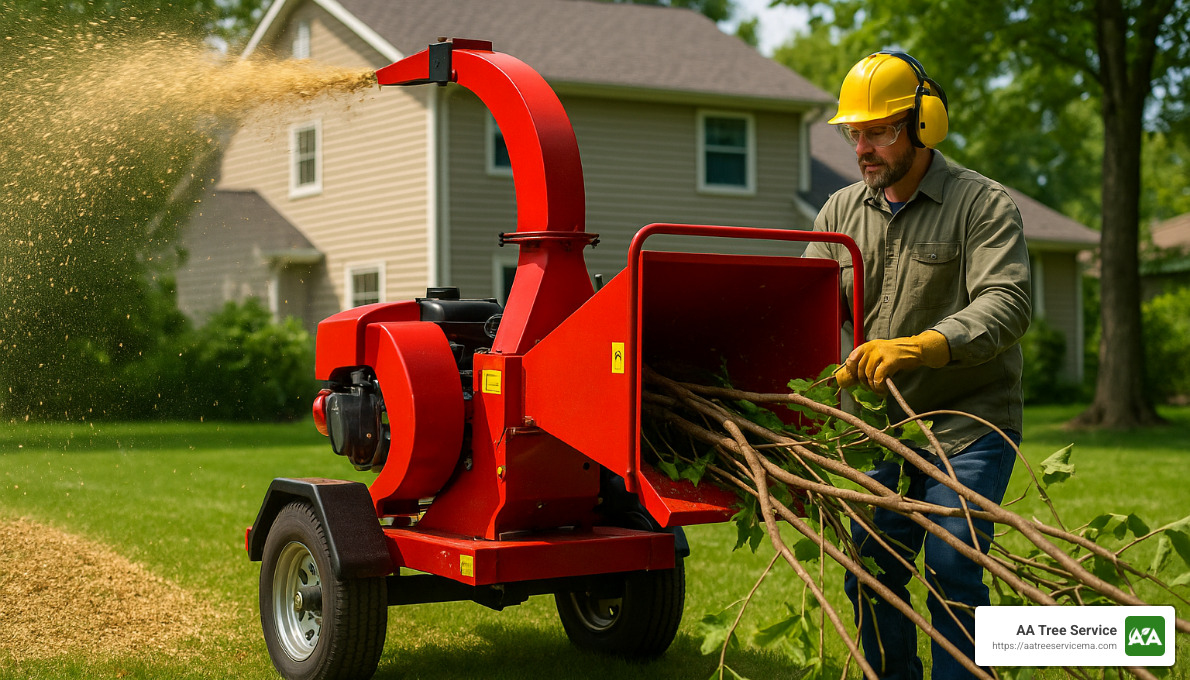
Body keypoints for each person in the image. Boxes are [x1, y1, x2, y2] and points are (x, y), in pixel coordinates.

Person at [802, 51, 1031, 679]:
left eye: (878, 132)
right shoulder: (838, 213)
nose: (862, 149)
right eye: (854, 134)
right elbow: (808, 312)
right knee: (871, 572)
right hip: (879, 428)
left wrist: (918, 345)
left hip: (968, 423)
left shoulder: (982, 205)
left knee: (953, 568)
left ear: (925, 124)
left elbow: (1007, 303)